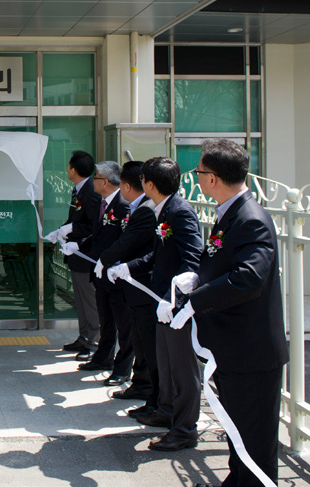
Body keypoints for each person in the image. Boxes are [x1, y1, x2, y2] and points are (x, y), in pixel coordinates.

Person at [171, 139, 288, 486]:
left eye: (200, 171)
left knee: (254, 442)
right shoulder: (231, 212)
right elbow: (226, 265)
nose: (198, 178)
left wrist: (196, 300)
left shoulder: (250, 218)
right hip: (234, 350)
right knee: (239, 436)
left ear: (213, 178)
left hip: (251, 354)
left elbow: (248, 278)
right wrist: (199, 278)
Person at [109, 156, 203, 452]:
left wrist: (178, 299)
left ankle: (185, 429)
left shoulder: (179, 213)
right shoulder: (163, 210)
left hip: (176, 306)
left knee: (183, 371)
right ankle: (165, 411)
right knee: (164, 362)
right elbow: (156, 255)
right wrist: (130, 267)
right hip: (161, 300)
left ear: (149, 185)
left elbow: (192, 259)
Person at [99, 161, 157, 406]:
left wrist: (104, 260)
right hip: (131, 282)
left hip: (143, 284)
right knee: (136, 335)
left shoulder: (145, 208)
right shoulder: (136, 206)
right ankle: (141, 384)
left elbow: (129, 241)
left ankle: (149, 390)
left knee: (140, 338)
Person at [77, 161, 133, 385]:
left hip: (115, 274)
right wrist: (79, 245)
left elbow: (124, 240)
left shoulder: (122, 205)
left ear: (106, 182)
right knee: (105, 319)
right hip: (100, 271)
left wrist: (110, 261)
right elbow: (98, 235)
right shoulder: (103, 202)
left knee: (123, 324)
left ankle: (122, 369)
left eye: (97, 177)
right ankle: (103, 357)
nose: (93, 181)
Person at [50, 150, 102, 359]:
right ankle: (83, 338)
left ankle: (94, 342)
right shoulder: (78, 190)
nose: (66, 170)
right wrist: (61, 230)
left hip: (86, 253)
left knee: (90, 301)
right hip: (76, 255)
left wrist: (70, 230)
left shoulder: (91, 191)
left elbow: (92, 226)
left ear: (74, 169)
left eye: (68, 166)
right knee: (80, 300)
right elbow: (74, 218)